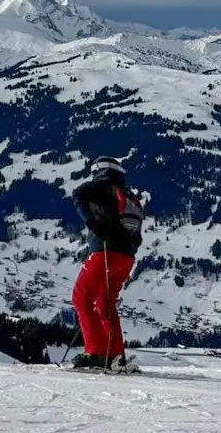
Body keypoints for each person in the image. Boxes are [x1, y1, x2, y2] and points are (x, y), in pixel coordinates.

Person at [70, 156, 145, 371]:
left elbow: (78, 194)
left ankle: (95, 353)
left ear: (100, 170)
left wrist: (93, 223)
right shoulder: (129, 195)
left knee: (81, 298)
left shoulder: (102, 187)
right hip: (126, 258)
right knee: (105, 303)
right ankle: (114, 354)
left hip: (104, 253)